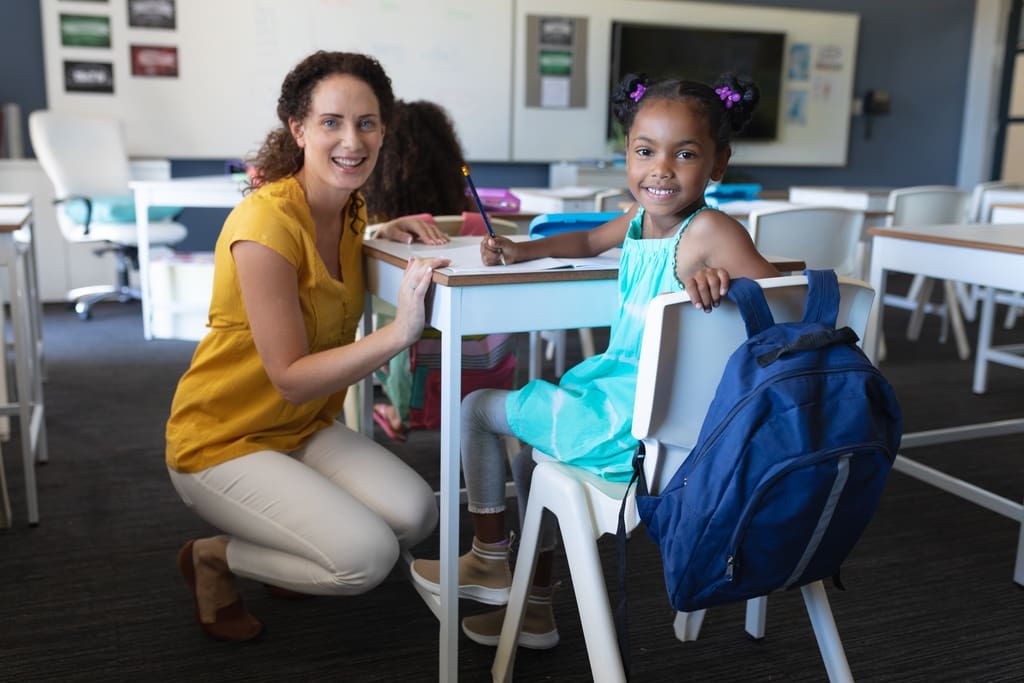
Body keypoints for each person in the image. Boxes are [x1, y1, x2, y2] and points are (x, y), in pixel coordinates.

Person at [410, 72, 781, 649]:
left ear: (719, 163)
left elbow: (786, 301)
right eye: (644, 151)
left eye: (684, 154)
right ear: (626, 157)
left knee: (477, 408)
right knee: (534, 460)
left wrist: (730, 284)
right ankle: (536, 606)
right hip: (638, 413)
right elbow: (585, 242)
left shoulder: (710, 229)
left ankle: (488, 556)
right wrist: (522, 249)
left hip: (633, 427)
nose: (660, 169)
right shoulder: (637, 222)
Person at [165, 51, 452, 642]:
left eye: (367, 123)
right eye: (331, 122)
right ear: (298, 129)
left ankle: (290, 542)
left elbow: (332, 261)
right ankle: (214, 558)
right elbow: (291, 377)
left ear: (384, 129)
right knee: (365, 560)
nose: (352, 139)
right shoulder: (265, 225)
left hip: (300, 431)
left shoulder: (352, 212)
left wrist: (380, 233)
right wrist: (398, 334)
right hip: (224, 440)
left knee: (419, 512)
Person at [361, 99, 472, 441]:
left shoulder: (373, 227)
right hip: (476, 365)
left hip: (403, 362)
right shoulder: (470, 219)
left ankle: (393, 410)